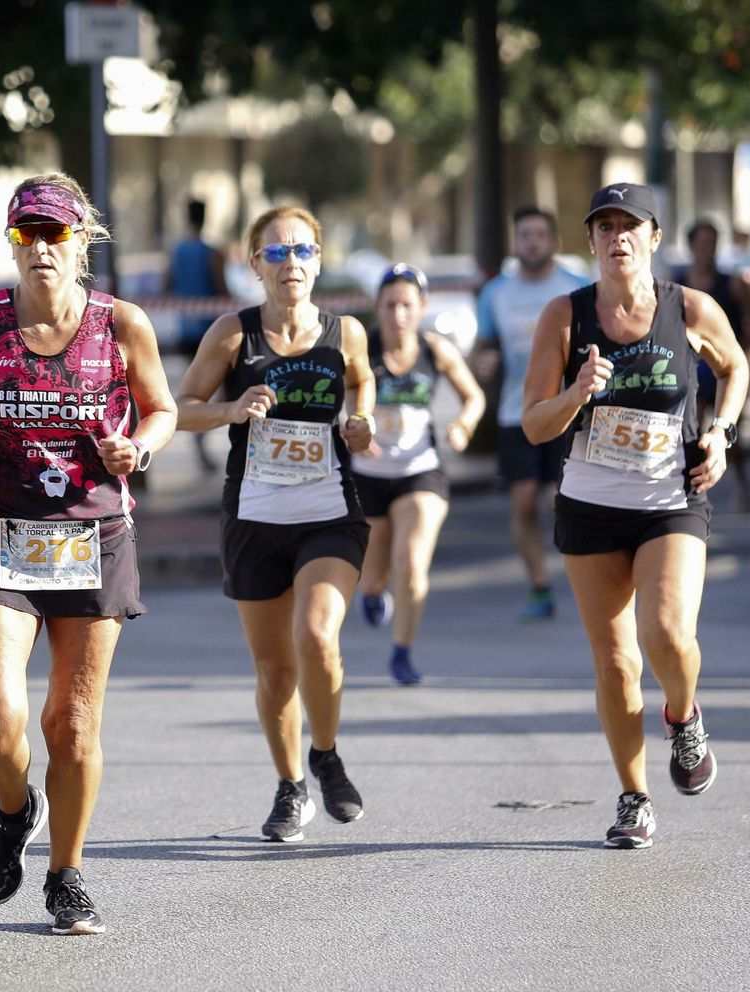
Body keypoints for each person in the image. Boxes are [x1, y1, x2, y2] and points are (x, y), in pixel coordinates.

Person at [0, 173, 176, 935]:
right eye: (25, 235)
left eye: (53, 234)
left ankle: (67, 876)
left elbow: (162, 408)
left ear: (80, 242)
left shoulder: (121, 325)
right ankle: (13, 810)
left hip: (95, 535)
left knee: (71, 724)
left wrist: (142, 448)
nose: (39, 249)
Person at [522, 183, 748, 849]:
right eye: (604, 226)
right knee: (617, 663)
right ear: (590, 240)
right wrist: (575, 393)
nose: (617, 236)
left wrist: (722, 435)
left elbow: (734, 367)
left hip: (670, 501)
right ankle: (634, 797)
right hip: (590, 509)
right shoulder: (563, 318)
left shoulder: (691, 309)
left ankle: (684, 715)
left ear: (654, 238)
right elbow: (536, 426)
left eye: (630, 225)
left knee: (670, 633)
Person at [173, 205, 376, 844]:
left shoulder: (345, 332)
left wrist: (359, 423)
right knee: (274, 670)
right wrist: (233, 408)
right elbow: (179, 409)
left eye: (303, 251)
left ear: (319, 259)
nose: (292, 264)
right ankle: (291, 786)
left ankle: (326, 753)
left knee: (317, 636)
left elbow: (363, 383)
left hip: (328, 512)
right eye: (278, 253)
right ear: (254, 264)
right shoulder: (233, 334)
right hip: (255, 515)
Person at [351, 264, 485, 685]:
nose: (399, 314)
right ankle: (373, 593)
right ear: (377, 306)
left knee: (411, 564)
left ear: (422, 307)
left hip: (419, 471)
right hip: (366, 473)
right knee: (372, 576)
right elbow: (331, 401)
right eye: (390, 305)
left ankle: (402, 650)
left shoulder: (436, 349)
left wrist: (463, 424)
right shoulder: (361, 350)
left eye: (407, 305)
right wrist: (351, 426)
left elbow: (474, 397)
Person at [472, 208, 588, 620]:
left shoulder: (578, 288)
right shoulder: (495, 294)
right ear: (515, 242)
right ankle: (540, 585)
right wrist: (483, 361)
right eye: (525, 235)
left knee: (564, 501)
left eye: (540, 234)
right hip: (515, 414)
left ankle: (587, 578)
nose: (533, 242)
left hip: (569, 412)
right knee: (522, 503)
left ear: (554, 242)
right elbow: (483, 346)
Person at [673, 220, 750, 512]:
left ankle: (741, 483)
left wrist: (739, 353)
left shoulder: (733, 283)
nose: (706, 250)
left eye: (712, 243)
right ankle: (694, 491)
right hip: (691, 371)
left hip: (722, 368)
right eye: (701, 243)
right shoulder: (677, 284)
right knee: (691, 433)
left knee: (730, 432)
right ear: (691, 246)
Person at [164, 200, 229, 469]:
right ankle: (204, 437)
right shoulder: (212, 253)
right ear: (205, 219)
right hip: (214, 334)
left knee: (194, 392)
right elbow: (223, 291)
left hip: (186, 331)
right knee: (225, 389)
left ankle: (200, 440)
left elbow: (165, 285)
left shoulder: (176, 252)